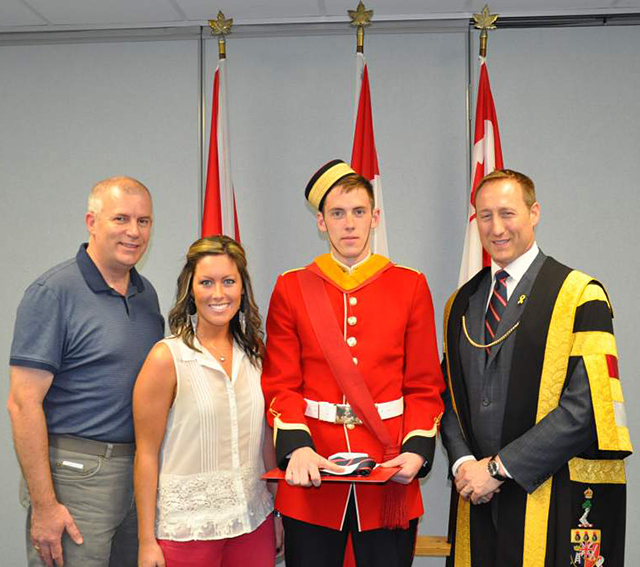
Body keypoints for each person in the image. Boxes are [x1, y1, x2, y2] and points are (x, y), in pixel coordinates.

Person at [440, 169, 632, 566]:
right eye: (486, 215)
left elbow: (586, 409)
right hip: (477, 497)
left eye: (508, 213)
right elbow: (449, 398)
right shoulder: (461, 303)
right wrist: (464, 466)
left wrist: (498, 468)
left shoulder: (580, 296)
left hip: (550, 495)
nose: (497, 228)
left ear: (535, 212)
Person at [261, 159, 445, 567]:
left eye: (358, 212)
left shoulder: (410, 285)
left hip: (387, 468)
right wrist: (297, 449)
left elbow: (423, 384)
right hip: (314, 475)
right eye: (337, 214)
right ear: (321, 223)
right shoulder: (292, 287)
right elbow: (280, 383)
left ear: (375, 217)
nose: (349, 224)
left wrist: (416, 451)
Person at [7, 176, 164, 567]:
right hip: (76, 476)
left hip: (138, 473)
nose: (134, 231)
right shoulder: (52, 292)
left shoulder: (147, 296)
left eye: (143, 221)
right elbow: (22, 404)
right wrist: (44, 506)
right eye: (121, 219)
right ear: (91, 222)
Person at [133, 235, 282, 567]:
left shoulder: (256, 353)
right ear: (191, 290)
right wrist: (146, 541)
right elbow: (146, 454)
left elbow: (266, 442)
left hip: (253, 524)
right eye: (206, 282)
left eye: (228, 281)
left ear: (242, 289)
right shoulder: (166, 357)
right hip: (188, 531)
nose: (218, 293)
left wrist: (277, 512)